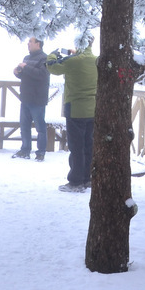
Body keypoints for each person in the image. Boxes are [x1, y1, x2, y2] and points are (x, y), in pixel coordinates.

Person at [47, 37, 97, 192]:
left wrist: (53, 54)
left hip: (75, 109)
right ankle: (87, 178)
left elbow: (52, 67)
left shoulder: (73, 61)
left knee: (76, 147)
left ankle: (76, 182)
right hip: (93, 109)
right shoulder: (96, 61)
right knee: (88, 145)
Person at [12, 36, 50, 161]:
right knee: (24, 127)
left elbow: (42, 75)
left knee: (40, 128)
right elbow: (26, 75)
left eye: (30, 41)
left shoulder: (45, 58)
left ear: (38, 43)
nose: (28, 43)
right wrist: (18, 73)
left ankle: (41, 153)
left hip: (38, 99)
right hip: (25, 98)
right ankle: (25, 150)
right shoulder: (27, 58)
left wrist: (25, 67)